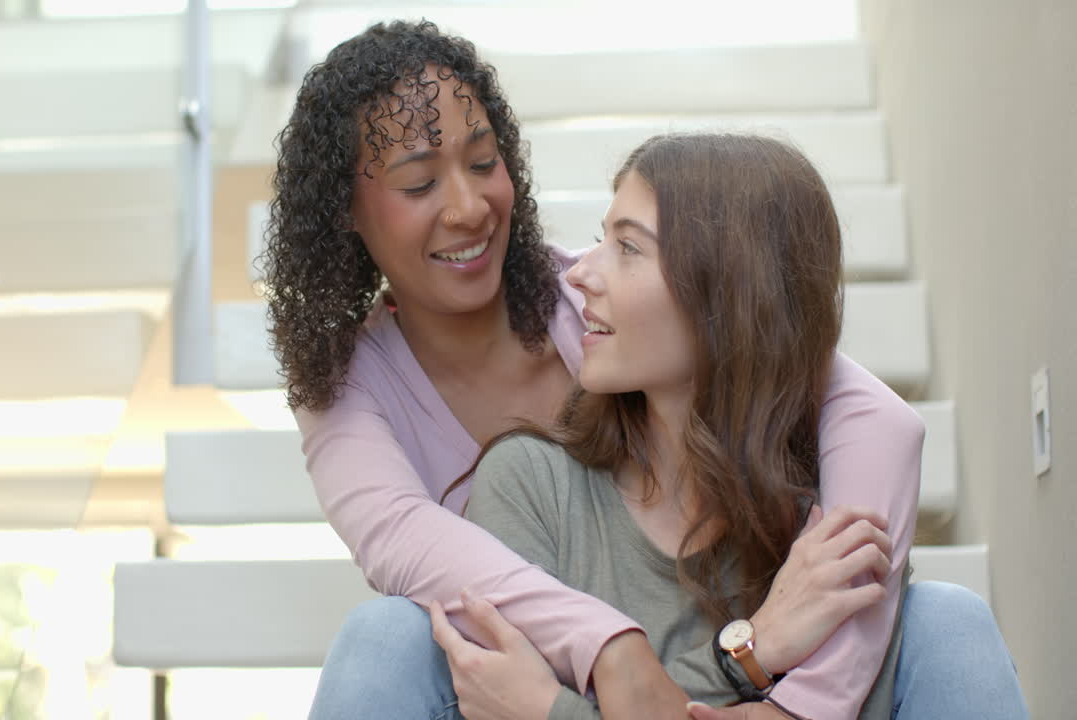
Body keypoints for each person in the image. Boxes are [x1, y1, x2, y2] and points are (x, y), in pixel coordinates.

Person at [260, 19, 1026, 720]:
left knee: (946, 617)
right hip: (525, 665)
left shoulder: (597, 305)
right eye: (420, 183)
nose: (468, 207)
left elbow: (861, 408)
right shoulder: (367, 393)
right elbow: (404, 541)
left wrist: (801, 696)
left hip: (699, 655)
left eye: (485, 162)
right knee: (389, 636)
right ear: (344, 214)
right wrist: (622, 649)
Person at [429, 133, 1025, 719]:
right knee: (388, 634)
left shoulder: (830, 510)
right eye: (599, 241)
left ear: (728, 293)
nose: (578, 275)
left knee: (949, 619)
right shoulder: (531, 487)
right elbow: (499, 698)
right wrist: (748, 652)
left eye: (629, 248)